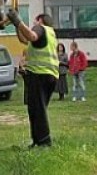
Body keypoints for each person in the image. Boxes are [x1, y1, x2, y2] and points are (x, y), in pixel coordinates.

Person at [7, 11, 58, 148]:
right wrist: (17, 26)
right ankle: (37, 140)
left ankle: (44, 142)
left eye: (35, 21)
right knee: (35, 108)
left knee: (38, 109)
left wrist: (18, 21)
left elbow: (31, 35)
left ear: (40, 20)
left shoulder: (40, 28)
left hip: (39, 75)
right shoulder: (51, 34)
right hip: (49, 75)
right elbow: (24, 39)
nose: (33, 24)